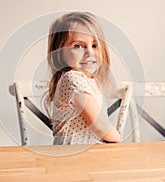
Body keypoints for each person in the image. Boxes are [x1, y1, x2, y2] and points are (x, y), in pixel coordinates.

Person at [47, 12, 121, 145]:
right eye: (78, 46)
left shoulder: (89, 80)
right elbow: (101, 126)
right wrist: (118, 138)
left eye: (94, 45)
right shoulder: (72, 79)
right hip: (73, 157)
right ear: (59, 52)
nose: (90, 53)